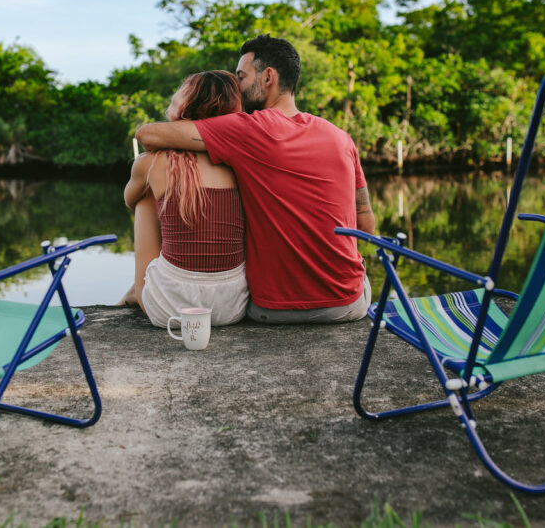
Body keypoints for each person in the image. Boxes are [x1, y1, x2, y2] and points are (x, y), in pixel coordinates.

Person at [135, 35, 376, 324]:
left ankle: (143, 288)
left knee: (148, 197)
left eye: (241, 76)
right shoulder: (341, 137)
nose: (236, 86)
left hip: (272, 310)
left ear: (268, 76)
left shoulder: (249, 129)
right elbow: (365, 223)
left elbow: (148, 134)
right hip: (348, 304)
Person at [123, 70, 249, 328]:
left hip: (169, 309)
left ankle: (140, 288)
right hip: (233, 306)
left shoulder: (152, 162)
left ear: (184, 103)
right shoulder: (242, 162)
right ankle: (138, 290)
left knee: (145, 197)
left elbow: (128, 200)